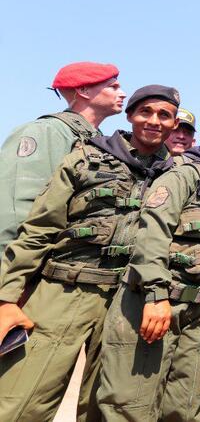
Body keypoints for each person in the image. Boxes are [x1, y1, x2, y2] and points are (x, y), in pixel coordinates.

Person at [0, 85, 178, 422]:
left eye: (164, 115)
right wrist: (6, 297)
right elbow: (39, 228)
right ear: (130, 116)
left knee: (106, 407)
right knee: (21, 401)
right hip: (64, 289)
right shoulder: (86, 157)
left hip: (126, 301)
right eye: (146, 112)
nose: (154, 121)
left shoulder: (177, 176)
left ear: (173, 124)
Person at [96, 120, 200, 421]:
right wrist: (156, 296)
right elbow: (152, 232)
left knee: (184, 407)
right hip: (157, 302)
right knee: (131, 405)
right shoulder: (187, 174)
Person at [0, 61, 124, 254]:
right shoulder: (46, 131)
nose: (122, 93)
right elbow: (17, 206)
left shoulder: (97, 140)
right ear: (83, 90)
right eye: (113, 87)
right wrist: (11, 261)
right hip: (31, 261)